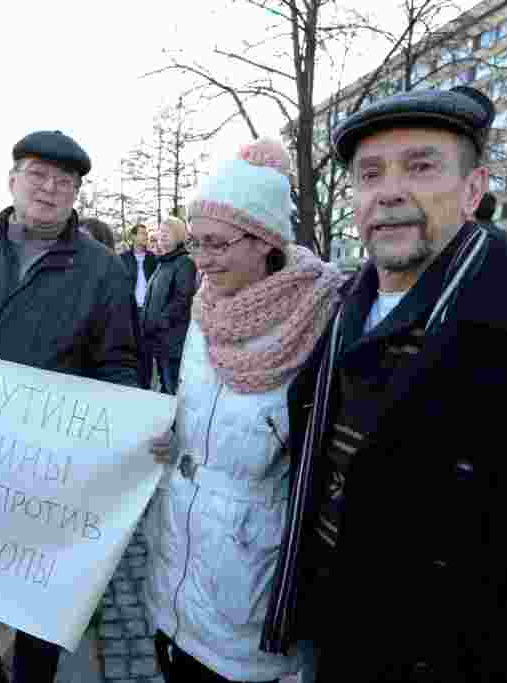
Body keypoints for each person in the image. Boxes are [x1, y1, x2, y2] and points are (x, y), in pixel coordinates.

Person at [261, 86, 507, 682]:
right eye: (370, 175)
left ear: (473, 190)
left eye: (420, 166)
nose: (389, 190)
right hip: (335, 637)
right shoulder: (339, 312)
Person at [0, 130, 139, 683]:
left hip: (47, 480)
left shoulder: (102, 271)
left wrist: (124, 436)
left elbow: (119, 365)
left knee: (37, 622)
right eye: (39, 174)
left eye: (65, 182)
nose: (50, 188)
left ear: (75, 195)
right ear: (12, 179)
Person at [145, 140, 344, 682]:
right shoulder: (205, 306)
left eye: (216, 244)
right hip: (179, 558)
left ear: (264, 240)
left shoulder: (324, 314)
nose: (202, 261)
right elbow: (196, 409)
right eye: (195, 246)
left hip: (252, 569)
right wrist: (170, 433)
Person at [141, 217, 196, 395]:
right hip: (157, 339)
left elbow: (183, 298)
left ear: (179, 235)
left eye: (166, 233)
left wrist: (161, 322)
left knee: (172, 387)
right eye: (160, 233)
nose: (161, 237)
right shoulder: (163, 262)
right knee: (163, 386)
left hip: (172, 340)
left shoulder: (183, 262)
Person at [121, 224, 158, 387]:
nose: (145, 236)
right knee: (133, 347)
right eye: (142, 233)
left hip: (148, 309)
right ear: (133, 237)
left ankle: (147, 383)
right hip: (131, 308)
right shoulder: (123, 258)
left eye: (146, 233)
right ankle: (135, 383)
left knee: (147, 349)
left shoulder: (153, 258)